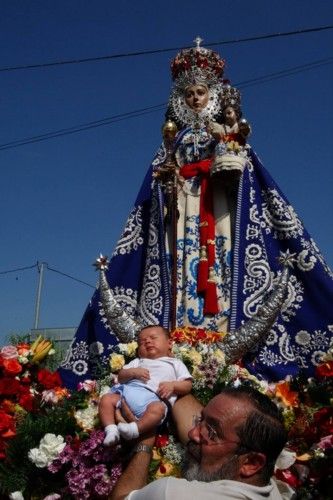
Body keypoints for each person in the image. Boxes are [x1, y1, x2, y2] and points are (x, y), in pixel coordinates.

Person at [59, 38, 333, 389]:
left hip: (218, 210)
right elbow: (155, 186)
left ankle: (220, 338)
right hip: (180, 212)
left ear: (212, 95)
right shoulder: (170, 144)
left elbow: (250, 177)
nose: (194, 99)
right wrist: (168, 181)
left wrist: (228, 166)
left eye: (200, 92)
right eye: (188, 95)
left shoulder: (226, 135)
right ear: (180, 100)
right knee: (180, 268)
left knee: (218, 262)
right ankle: (178, 340)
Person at [110, 385, 295, 500]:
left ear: (251, 463)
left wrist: (145, 440)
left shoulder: (173, 494)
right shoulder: (268, 485)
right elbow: (184, 403)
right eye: (200, 420)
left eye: (212, 433)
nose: (192, 433)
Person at [99, 325, 192, 445]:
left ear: (169, 343)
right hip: (127, 392)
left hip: (153, 399)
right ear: (138, 351)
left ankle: (135, 429)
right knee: (106, 399)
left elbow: (187, 385)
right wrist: (132, 372)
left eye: (153, 338)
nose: (147, 341)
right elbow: (121, 377)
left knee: (158, 410)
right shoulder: (137, 362)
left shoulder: (175, 363)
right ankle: (111, 430)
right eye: (142, 342)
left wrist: (173, 385)